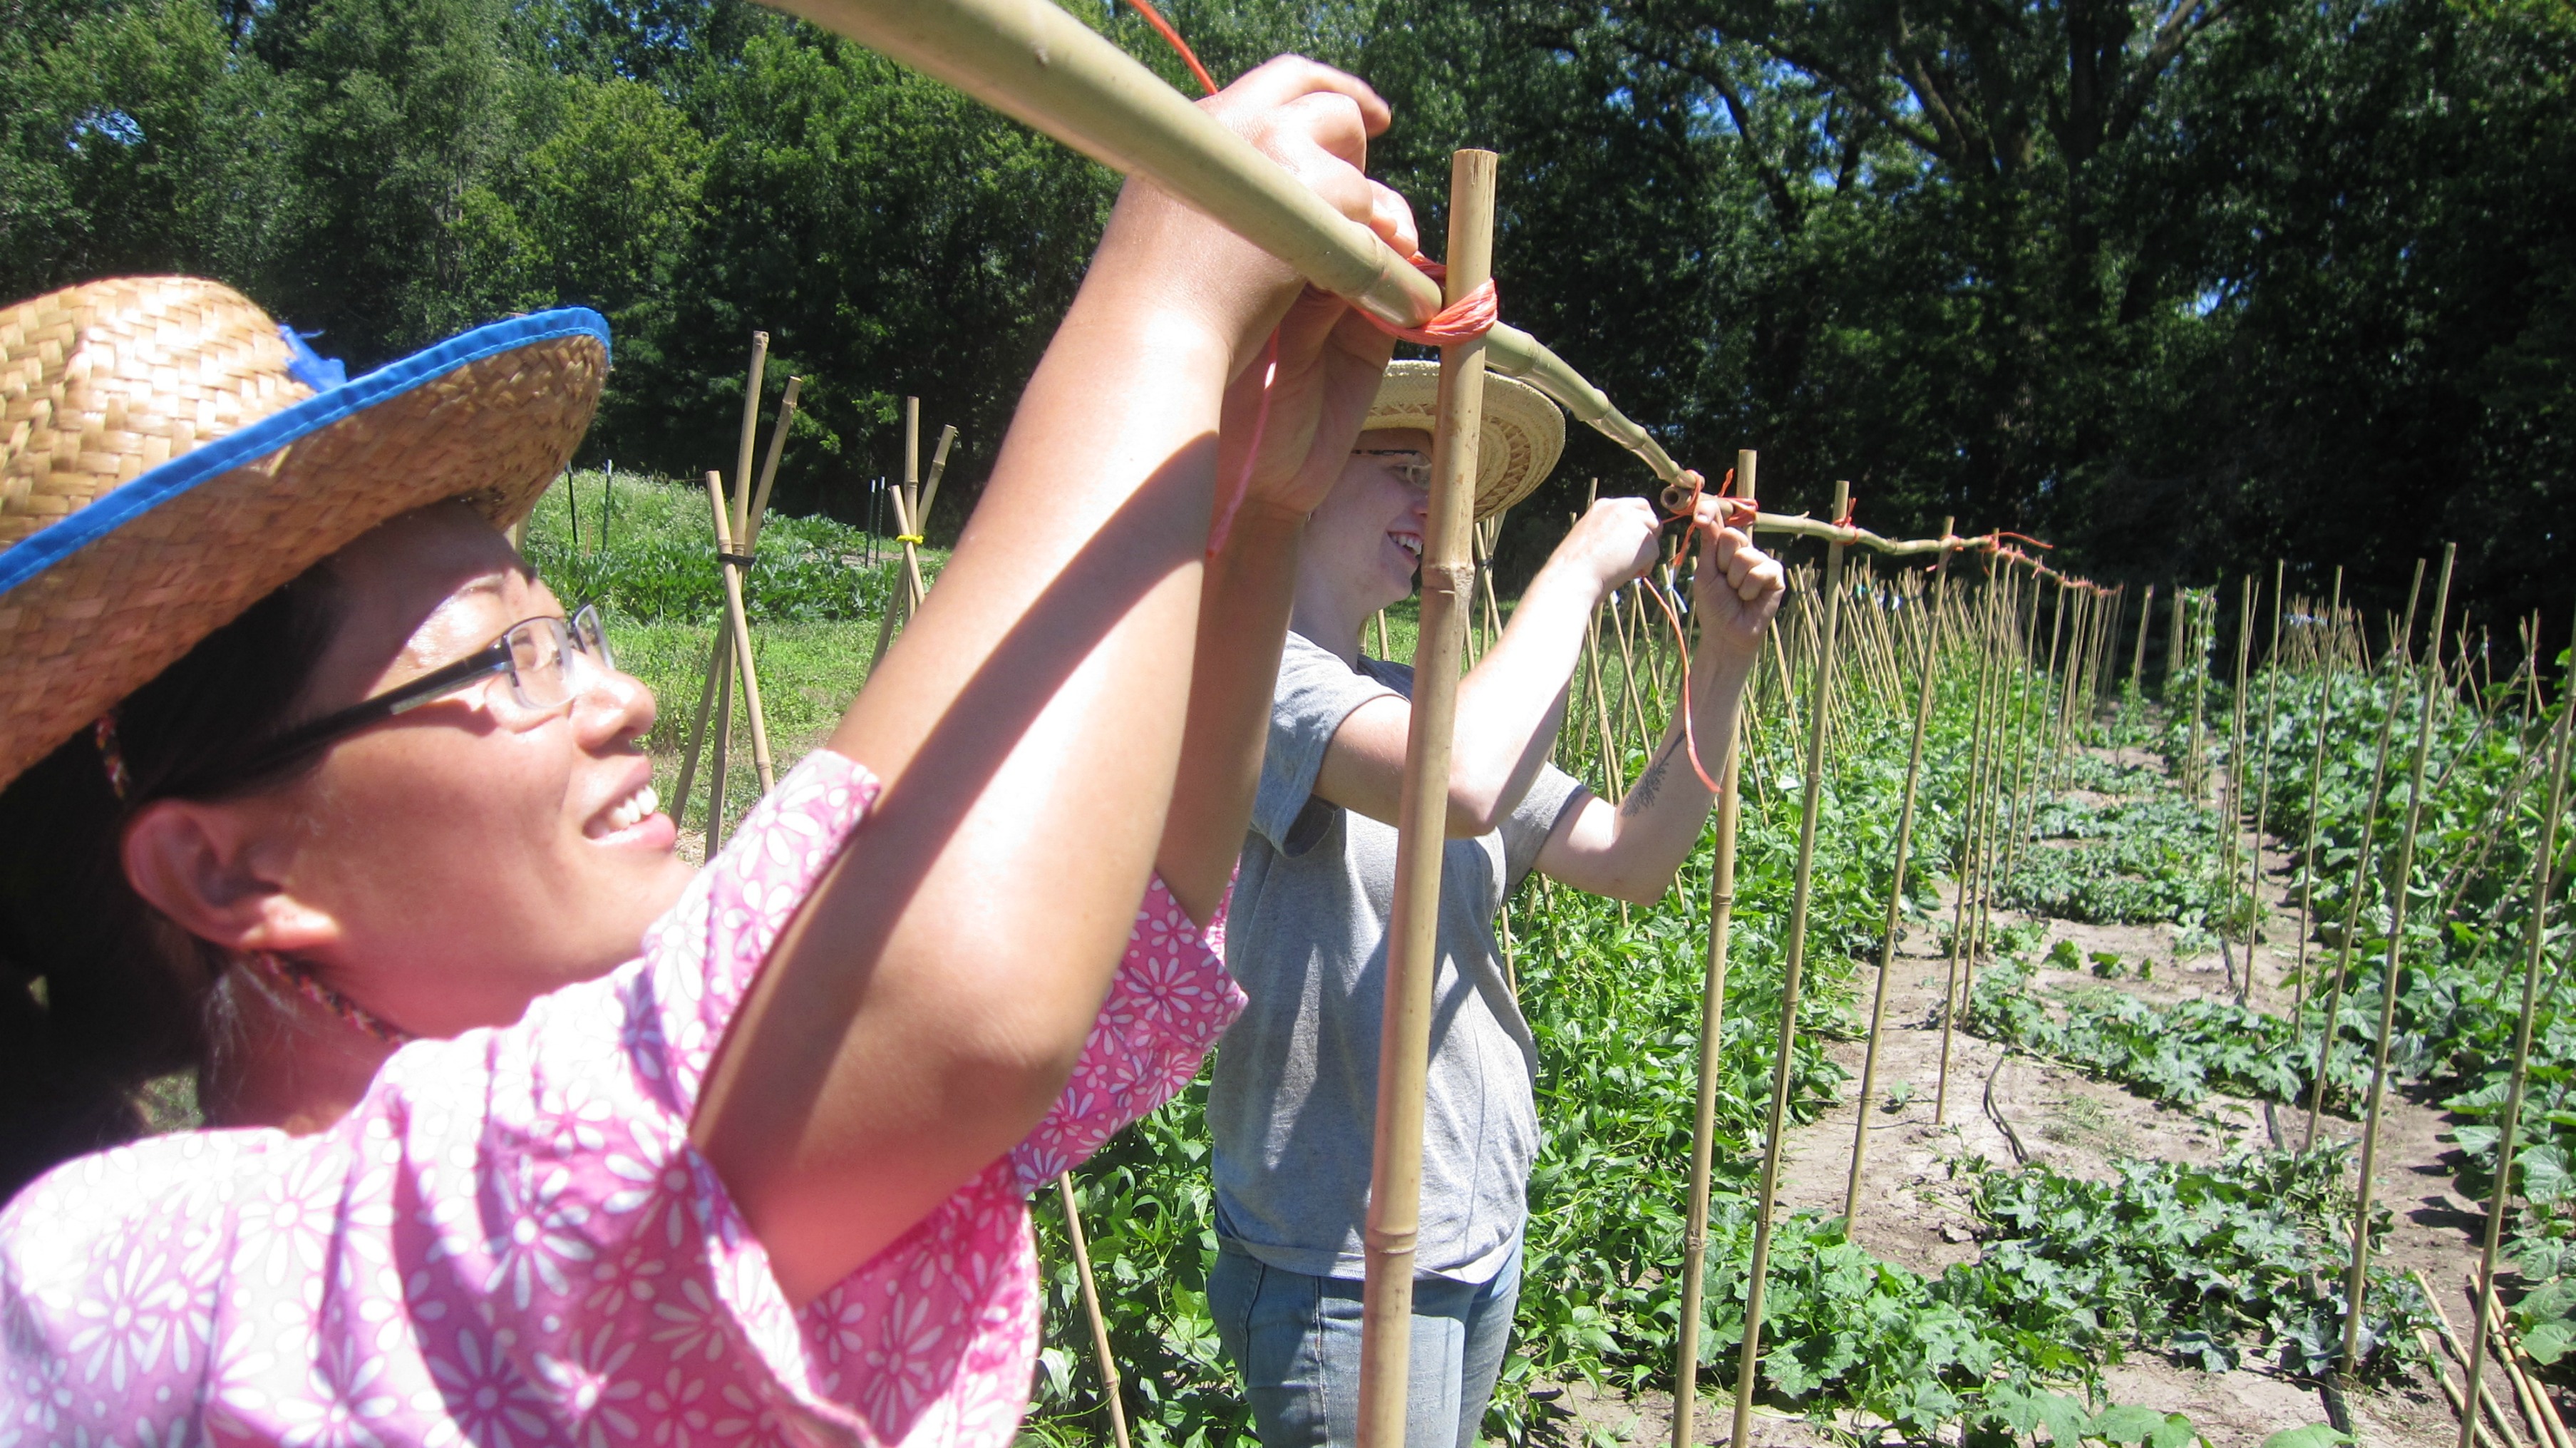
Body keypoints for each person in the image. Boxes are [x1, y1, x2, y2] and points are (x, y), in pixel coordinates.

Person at [0, 56, 1415, 1447]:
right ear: (220, 861)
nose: (618, 700)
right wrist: (1159, 306)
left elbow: (1121, 925)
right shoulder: (101, 1286)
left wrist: (1259, 505)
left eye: (573, 633)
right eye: (506, 655)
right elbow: (942, 1012)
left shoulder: (654, 1116)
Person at [1207, 360, 1787, 1448]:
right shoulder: (1252, 679)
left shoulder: (1413, 696)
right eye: (1399, 467)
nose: (1435, 502)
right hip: (1338, 1265)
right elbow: (1463, 785)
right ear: (1301, 478)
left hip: (1469, 1227)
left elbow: (1628, 857)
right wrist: (1572, 575)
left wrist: (1722, 658)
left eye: (1446, 475)